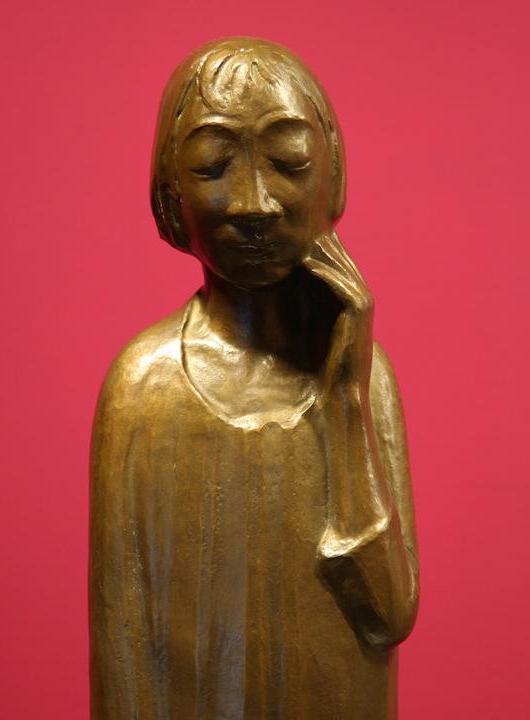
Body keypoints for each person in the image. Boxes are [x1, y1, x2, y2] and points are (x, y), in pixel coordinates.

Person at [89, 37, 420, 719]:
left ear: (331, 173)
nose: (254, 203)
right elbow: (124, 649)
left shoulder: (362, 375)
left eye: (287, 162)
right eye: (214, 166)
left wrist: (344, 402)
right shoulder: (143, 388)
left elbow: (389, 614)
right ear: (171, 191)